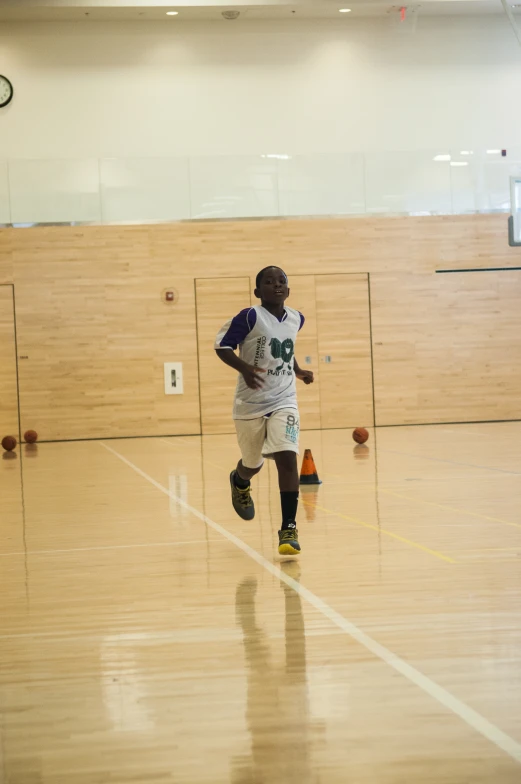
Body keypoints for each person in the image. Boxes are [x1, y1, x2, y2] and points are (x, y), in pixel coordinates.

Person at [214, 266, 314, 555]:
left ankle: (289, 528)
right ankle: (240, 480)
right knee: (253, 463)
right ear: (258, 292)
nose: (276, 285)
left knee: (287, 457)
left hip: (285, 399)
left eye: (281, 281)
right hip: (250, 403)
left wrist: (297, 371)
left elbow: (286, 347)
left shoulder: (297, 318)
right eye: (268, 282)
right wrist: (244, 368)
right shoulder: (249, 317)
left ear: (288, 289)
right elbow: (222, 347)